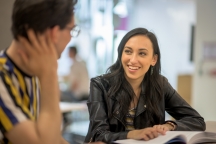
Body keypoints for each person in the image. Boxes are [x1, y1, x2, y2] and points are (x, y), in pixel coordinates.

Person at [84, 28, 206, 143]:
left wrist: (169, 126)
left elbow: (197, 120)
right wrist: (133, 134)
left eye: (142, 54)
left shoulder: (160, 85)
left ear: (153, 59)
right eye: (128, 51)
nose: (133, 60)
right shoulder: (100, 85)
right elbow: (98, 134)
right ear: (121, 54)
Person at [0, 0, 79, 144]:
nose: (71, 37)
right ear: (53, 33)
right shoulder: (2, 77)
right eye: (71, 30)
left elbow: (51, 135)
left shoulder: (36, 72)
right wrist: (50, 73)